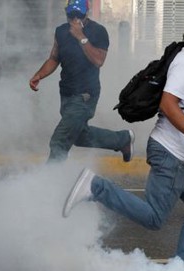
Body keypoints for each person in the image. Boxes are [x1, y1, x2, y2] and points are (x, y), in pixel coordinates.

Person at [63, 18, 184, 264]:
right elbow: (168, 104)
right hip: (171, 151)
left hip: (183, 154)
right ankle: (96, 187)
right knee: (153, 217)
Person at [29, 0, 134, 163]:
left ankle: (49, 181)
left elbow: (99, 60)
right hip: (66, 93)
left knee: (59, 140)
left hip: (85, 95)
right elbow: (54, 58)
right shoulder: (61, 31)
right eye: (71, 14)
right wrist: (39, 75)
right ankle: (122, 140)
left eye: (79, 14)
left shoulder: (98, 31)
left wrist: (81, 37)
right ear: (66, 12)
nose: (75, 18)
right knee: (77, 135)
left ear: (87, 12)